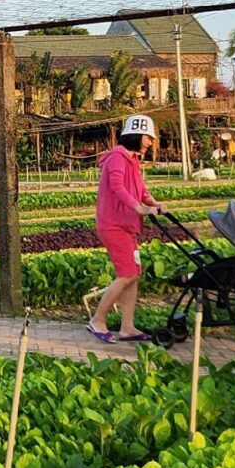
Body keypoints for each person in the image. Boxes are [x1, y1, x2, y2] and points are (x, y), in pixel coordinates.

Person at [88, 114, 165, 343]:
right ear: (137, 135)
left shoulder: (133, 160)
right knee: (127, 274)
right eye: (147, 138)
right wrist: (138, 207)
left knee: (134, 275)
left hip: (127, 225)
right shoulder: (117, 157)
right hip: (113, 225)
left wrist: (154, 204)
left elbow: (141, 189)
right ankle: (97, 320)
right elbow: (117, 186)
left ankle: (127, 327)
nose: (150, 142)